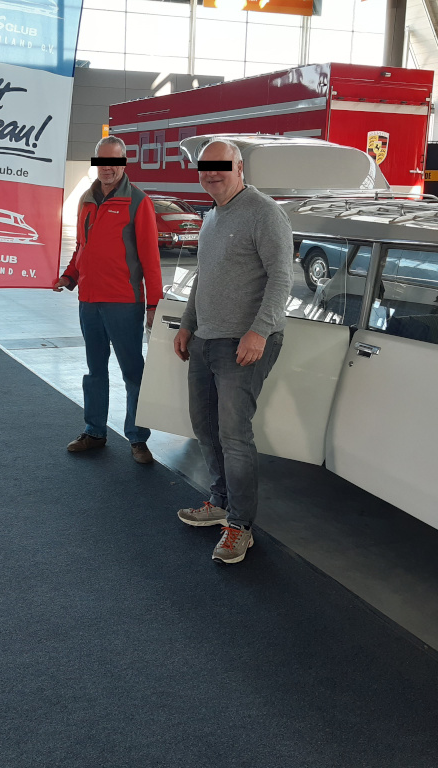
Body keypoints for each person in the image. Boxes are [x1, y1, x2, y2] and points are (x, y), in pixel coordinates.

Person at [172, 138, 293, 564]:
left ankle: (240, 526)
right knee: (205, 427)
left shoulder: (264, 212)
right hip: (206, 339)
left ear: (240, 168)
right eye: (205, 167)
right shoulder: (211, 216)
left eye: (221, 166)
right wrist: (187, 324)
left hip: (245, 343)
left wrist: (258, 331)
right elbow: (203, 277)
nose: (212, 174)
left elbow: (282, 277)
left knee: (234, 435)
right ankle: (220, 502)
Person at [54, 135, 163, 465]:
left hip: (124, 303)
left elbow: (150, 259)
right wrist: (69, 276)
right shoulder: (86, 200)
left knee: (133, 372)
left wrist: (154, 305)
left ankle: (138, 438)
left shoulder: (138, 202)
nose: (107, 168)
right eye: (102, 161)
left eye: (114, 161)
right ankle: (94, 431)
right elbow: (82, 248)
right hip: (89, 301)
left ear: (123, 163)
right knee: (94, 371)